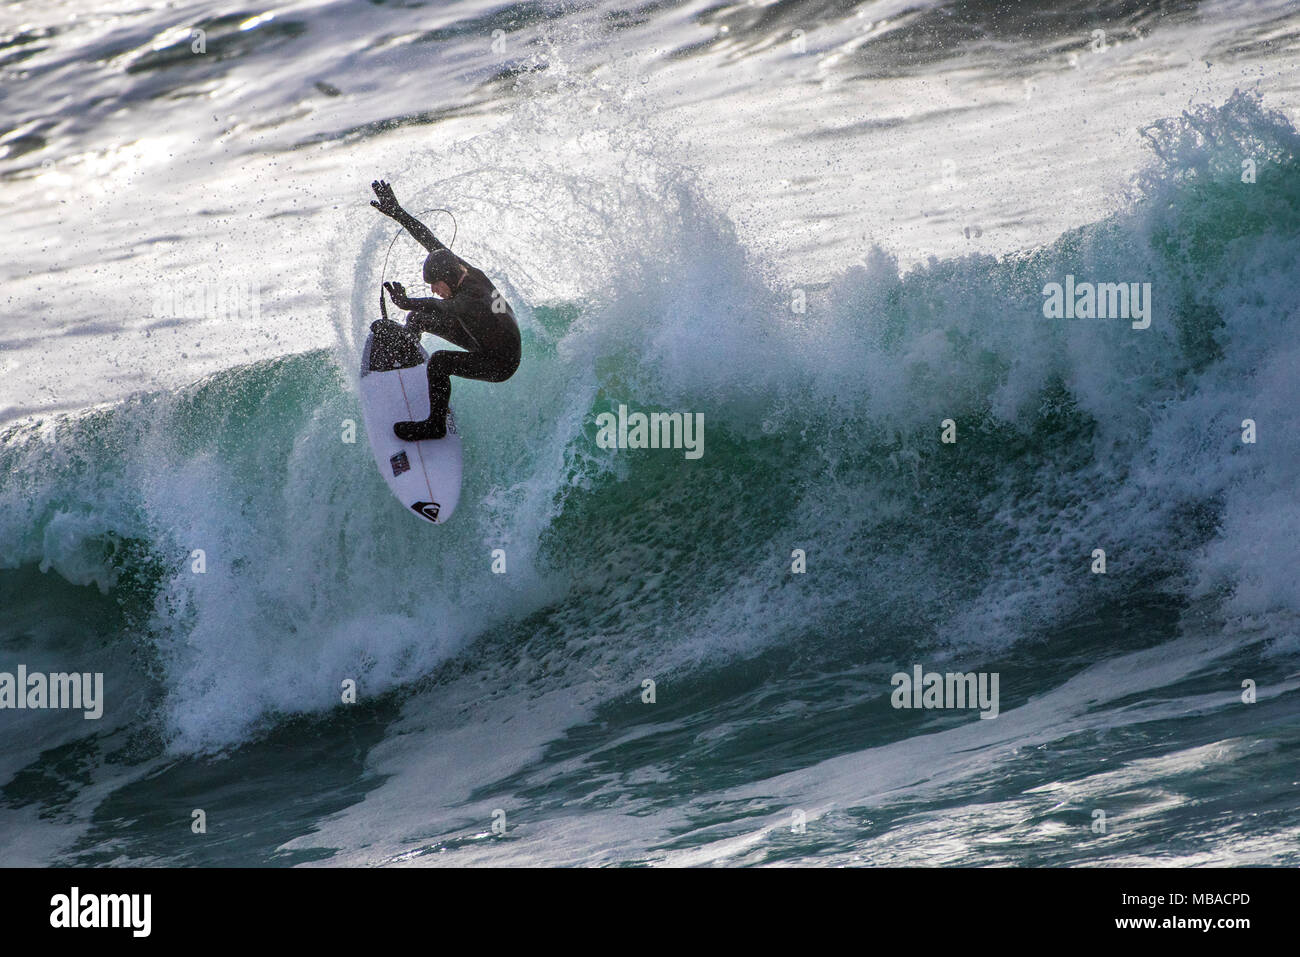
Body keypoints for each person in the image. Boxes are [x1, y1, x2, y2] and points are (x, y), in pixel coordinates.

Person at [369, 179, 521, 441]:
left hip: (500, 361)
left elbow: (443, 306)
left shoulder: (472, 297)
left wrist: (406, 301)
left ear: (448, 278)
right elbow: (430, 240)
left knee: (440, 362)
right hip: (480, 334)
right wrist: (398, 212)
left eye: (435, 285)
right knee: (416, 319)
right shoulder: (462, 271)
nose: (434, 290)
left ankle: (434, 426)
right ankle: (405, 353)